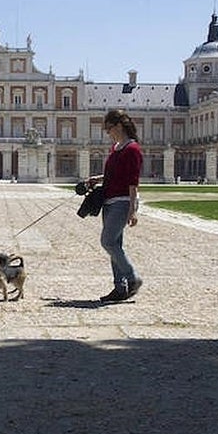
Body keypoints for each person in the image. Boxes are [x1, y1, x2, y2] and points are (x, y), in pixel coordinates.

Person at [86, 109, 143, 302]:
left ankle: (132, 277)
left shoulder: (132, 149)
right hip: (109, 201)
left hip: (122, 201)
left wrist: (133, 209)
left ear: (119, 126)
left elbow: (133, 181)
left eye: (109, 128)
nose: (108, 133)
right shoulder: (116, 148)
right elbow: (114, 175)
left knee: (107, 241)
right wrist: (98, 179)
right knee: (115, 245)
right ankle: (120, 288)